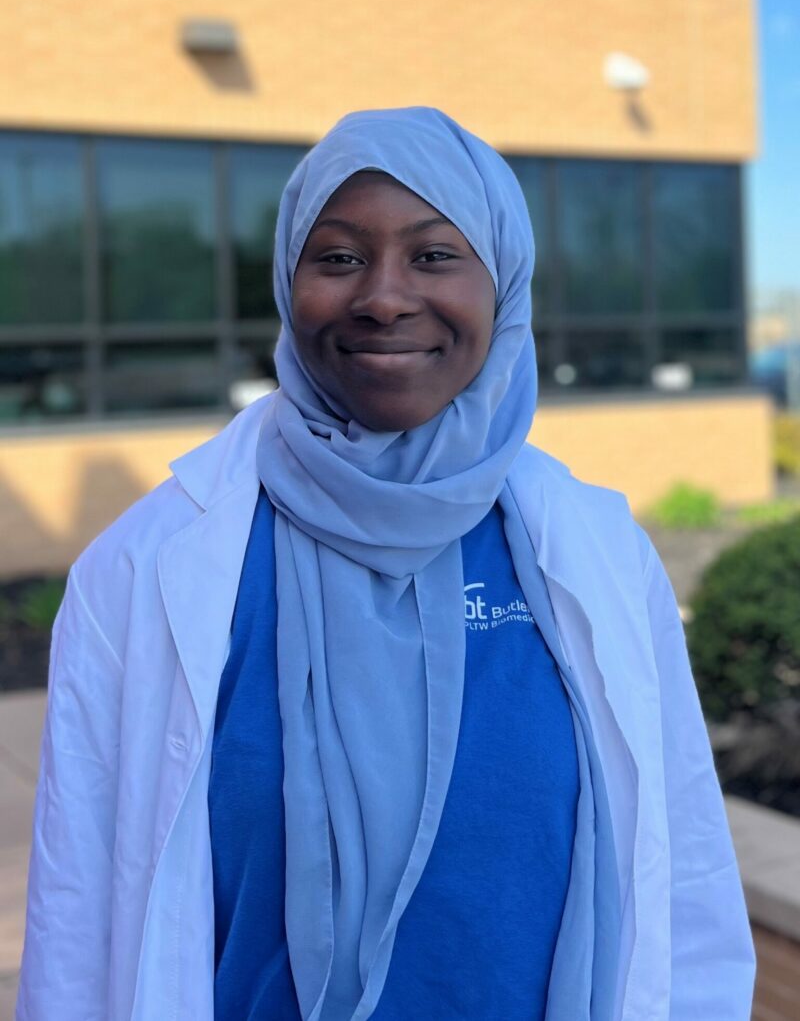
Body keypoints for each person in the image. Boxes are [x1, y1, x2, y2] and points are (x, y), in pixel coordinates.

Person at [17, 107, 754, 1021]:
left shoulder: (599, 551)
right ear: (290, 286)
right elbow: (77, 917)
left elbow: (685, 883)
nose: (385, 297)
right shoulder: (137, 571)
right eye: (338, 257)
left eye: (436, 255)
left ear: (504, 282)